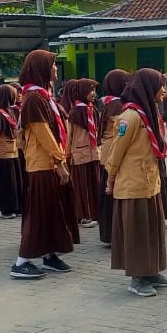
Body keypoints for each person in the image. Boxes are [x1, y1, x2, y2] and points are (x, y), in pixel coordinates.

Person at [106, 68, 167, 297]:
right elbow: (116, 152)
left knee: (151, 230)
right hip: (133, 185)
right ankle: (137, 278)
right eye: (160, 86)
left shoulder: (149, 113)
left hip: (149, 183)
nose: (164, 91)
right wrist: (111, 177)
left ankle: (151, 271)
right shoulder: (130, 117)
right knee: (137, 233)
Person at [12, 49, 77, 279]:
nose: (56, 69)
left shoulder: (44, 96)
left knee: (52, 211)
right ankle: (21, 261)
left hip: (50, 162)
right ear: (42, 69)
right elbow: (42, 133)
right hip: (41, 164)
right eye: (53, 65)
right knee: (39, 213)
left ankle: (49, 255)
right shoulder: (33, 98)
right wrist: (59, 162)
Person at [96, 69, 129, 247]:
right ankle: (114, 233)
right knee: (113, 193)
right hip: (113, 153)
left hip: (107, 152)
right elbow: (120, 132)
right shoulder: (117, 104)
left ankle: (109, 233)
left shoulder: (108, 102)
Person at [65, 78, 102, 228]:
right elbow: (69, 135)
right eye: (90, 90)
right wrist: (67, 155)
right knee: (82, 186)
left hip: (94, 153)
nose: (94, 93)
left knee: (95, 183)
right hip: (80, 154)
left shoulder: (92, 109)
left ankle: (95, 213)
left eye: (94, 90)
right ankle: (83, 215)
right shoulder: (74, 112)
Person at [0, 84, 24, 219]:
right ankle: (6, 209)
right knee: (6, 183)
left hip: (12, 151)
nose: (16, 96)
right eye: (13, 94)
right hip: (2, 154)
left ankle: (17, 206)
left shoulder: (10, 111)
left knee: (15, 182)